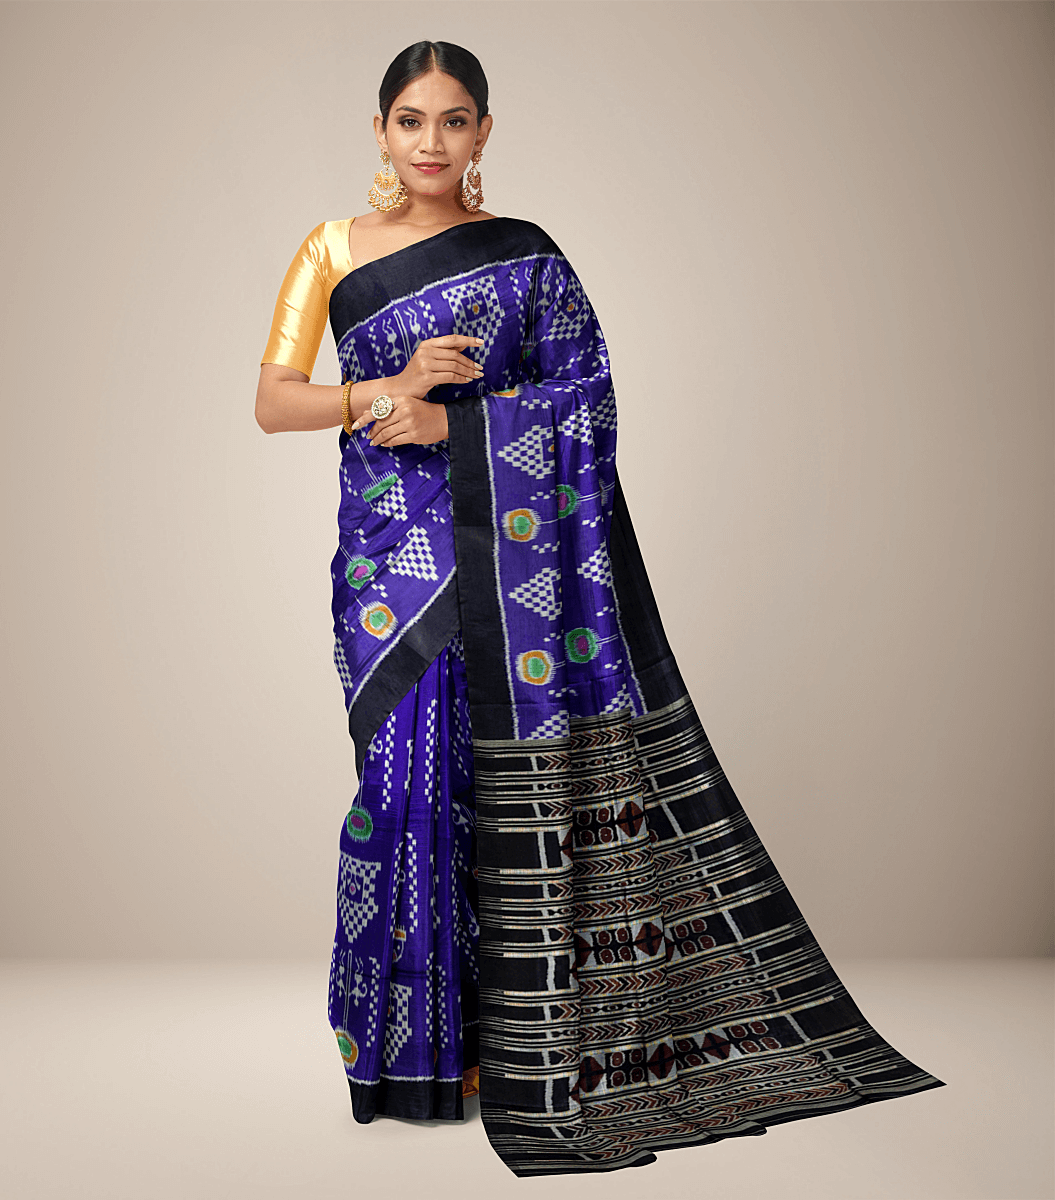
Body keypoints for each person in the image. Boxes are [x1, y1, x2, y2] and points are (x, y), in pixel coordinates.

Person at [255, 39, 944, 1180]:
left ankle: (499, 1051)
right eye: (411, 120)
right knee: (402, 788)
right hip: (391, 565)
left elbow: (591, 402)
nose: (432, 142)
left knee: (489, 783)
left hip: (504, 558)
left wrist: (455, 424)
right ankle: (405, 1055)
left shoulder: (529, 257)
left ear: (484, 133)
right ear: (379, 130)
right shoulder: (330, 249)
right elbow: (275, 402)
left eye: (455, 120)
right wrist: (387, 392)